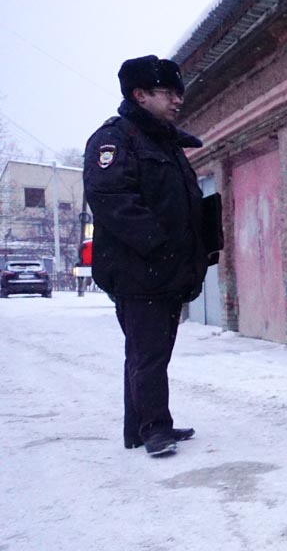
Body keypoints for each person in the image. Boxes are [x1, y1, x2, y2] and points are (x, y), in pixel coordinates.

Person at [83, 55, 211, 458]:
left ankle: (140, 426)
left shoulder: (162, 141)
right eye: (168, 93)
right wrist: (159, 244)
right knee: (148, 352)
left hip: (166, 267)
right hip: (138, 269)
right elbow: (111, 199)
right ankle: (154, 428)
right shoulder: (115, 139)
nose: (177, 101)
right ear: (140, 95)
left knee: (148, 350)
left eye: (179, 93)